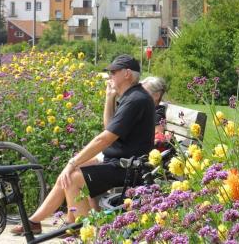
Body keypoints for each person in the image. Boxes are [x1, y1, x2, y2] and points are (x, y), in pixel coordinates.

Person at [11, 54, 155, 235]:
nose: (109, 75)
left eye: (113, 72)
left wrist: (74, 162)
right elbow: (109, 127)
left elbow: (104, 139)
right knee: (68, 172)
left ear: (127, 74)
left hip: (128, 167)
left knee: (73, 178)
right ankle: (35, 222)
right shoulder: (131, 96)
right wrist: (109, 98)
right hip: (118, 160)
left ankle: (81, 230)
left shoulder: (135, 100)